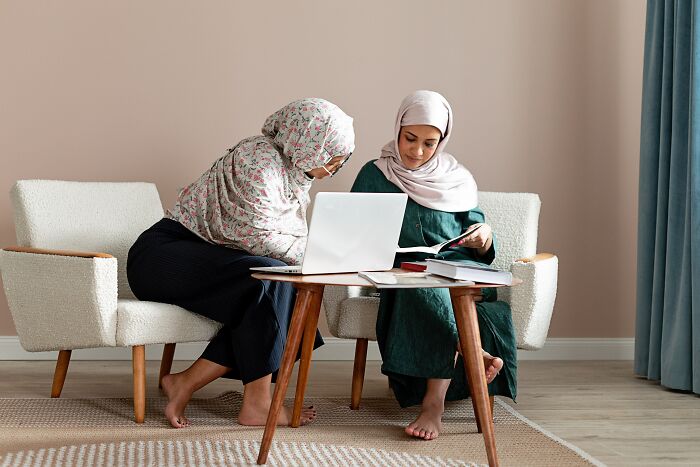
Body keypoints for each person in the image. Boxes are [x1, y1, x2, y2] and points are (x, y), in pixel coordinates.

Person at [126, 98, 355, 428]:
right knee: (273, 276)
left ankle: (191, 383)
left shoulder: (292, 173)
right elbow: (258, 236)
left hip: (209, 257)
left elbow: (277, 247)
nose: (332, 170)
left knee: (282, 287)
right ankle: (256, 403)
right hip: (161, 256)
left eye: (339, 163)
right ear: (308, 142)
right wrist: (329, 255)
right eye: (330, 161)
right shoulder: (256, 159)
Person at [350, 90, 517, 440]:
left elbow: (479, 230)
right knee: (419, 281)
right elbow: (350, 230)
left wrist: (483, 236)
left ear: (442, 140)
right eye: (410, 139)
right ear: (397, 129)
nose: (418, 151)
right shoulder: (374, 175)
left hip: (459, 268)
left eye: (430, 142)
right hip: (402, 272)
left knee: (434, 282)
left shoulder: (456, 177)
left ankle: (433, 404)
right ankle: (465, 359)